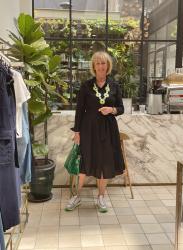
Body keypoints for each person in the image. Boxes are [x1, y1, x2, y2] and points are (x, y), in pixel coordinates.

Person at [65, 51, 125, 212]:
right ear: (93, 66)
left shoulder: (115, 86)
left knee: (105, 162)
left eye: (103, 63)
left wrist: (111, 109)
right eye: (98, 63)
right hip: (88, 129)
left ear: (108, 66)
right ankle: (77, 196)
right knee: (84, 161)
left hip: (108, 130)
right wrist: (77, 132)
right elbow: (79, 110)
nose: (101, 66)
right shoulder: (85, 86)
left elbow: (121, 108)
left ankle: (101, 197)